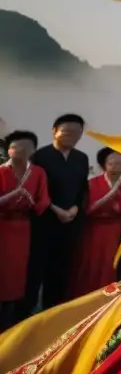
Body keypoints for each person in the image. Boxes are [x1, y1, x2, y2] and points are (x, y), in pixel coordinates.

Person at [24, 114, 90, 312]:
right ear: (54, 131)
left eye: (77, 133)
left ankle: (53, 313)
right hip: (44, 221)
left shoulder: (81, 158)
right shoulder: (39, 157)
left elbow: (82, 189)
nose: (72, 136)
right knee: (36, 270)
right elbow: (33, 189)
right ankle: (26, 315)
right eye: (67, 131)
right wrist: (55, 209)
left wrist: (76, 208)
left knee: (62, 270)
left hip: (70, 222)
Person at [0, 131, 50, 330]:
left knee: (17, 270)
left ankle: (11, 316)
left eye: (26, 147)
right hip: (2, 225)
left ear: (33, 150)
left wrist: (34, 204)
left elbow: (43, 199)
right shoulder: (1, 171)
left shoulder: (38, 172)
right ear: (9, 149)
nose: (20, 151)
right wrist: (13, 196)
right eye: (16, 146)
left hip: (22, 228)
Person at [67, 148, 121, 299]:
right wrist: (111, 193)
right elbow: (87, 210)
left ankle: (107, 298)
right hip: (95, 229)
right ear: (104, 165)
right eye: (111, 163)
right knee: (91, 263)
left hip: (114, 230)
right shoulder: (91, 184)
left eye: (120, 164)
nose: (115, 167)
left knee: (110, 264)